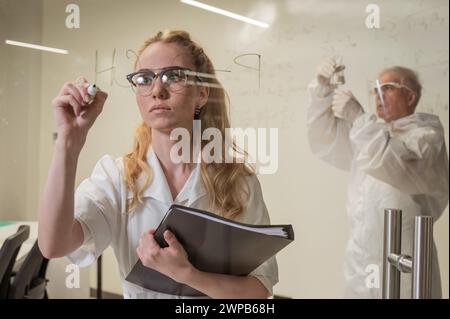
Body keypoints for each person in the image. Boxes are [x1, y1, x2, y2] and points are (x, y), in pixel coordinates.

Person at [38, 30, 278, 299]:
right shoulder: (117, 177)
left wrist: (187, 274)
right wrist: (68, 145)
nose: (157, 91)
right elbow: (53, 245)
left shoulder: (238, 181)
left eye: (173, 76)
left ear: (201, 93)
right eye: (144, 79)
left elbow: (259, 290)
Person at [307, 58, 448, 298]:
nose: (378, 95)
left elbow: (394, 165)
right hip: (361, 261)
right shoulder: (372, 136)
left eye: (388, 88)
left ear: (410, 96)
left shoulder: (426, 136)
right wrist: (322, 90)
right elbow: (324, 139)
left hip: (407, 261)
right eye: (376, 89)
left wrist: (359, 119)